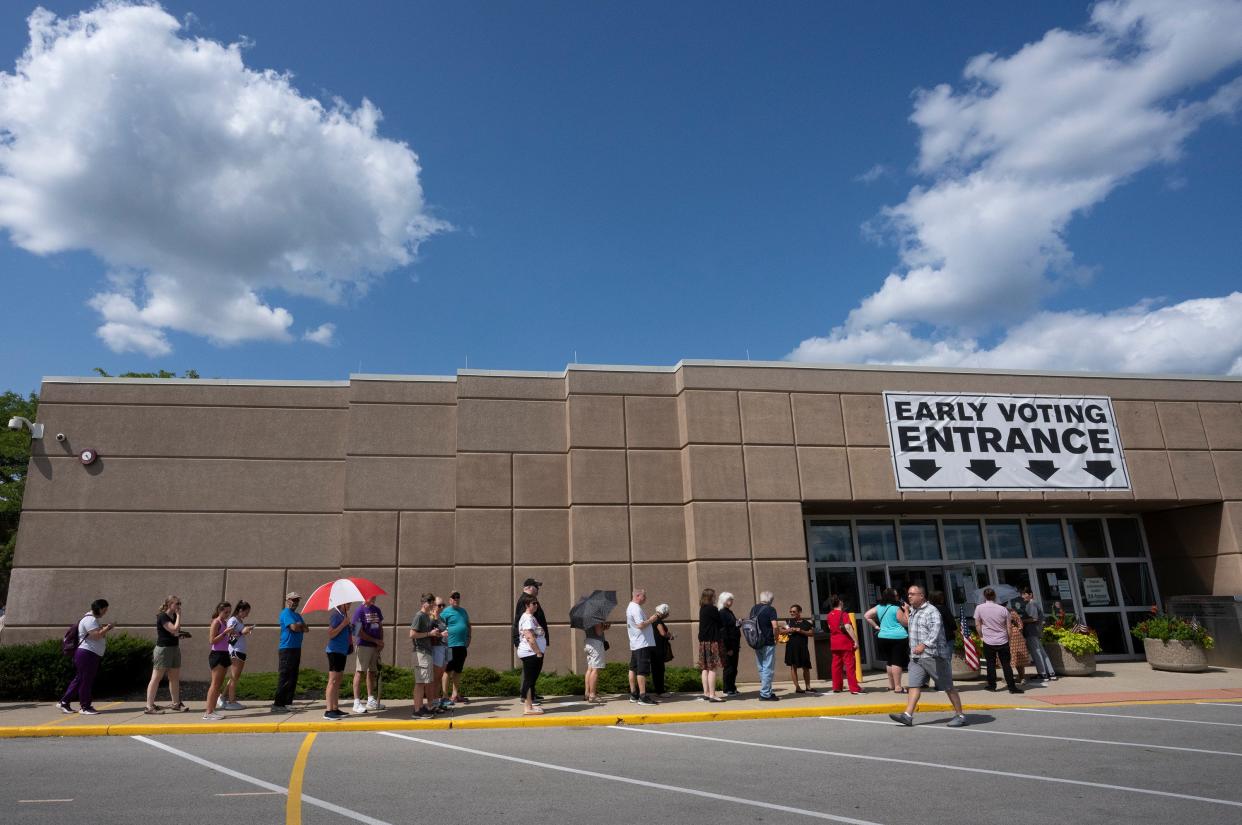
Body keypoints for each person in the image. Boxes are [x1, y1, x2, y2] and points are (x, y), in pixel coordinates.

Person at [889, 585, 967, 728]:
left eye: (913, 594)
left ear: (922, 596)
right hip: (916, 657)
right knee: (914, 685)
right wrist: (906, 610)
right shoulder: (913, 611)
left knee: (948, 686)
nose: (909, 596)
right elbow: (908, 625)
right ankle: (907, 715)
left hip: (933, 656)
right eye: (908, 594)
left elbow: (935, 631)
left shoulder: (932, 611)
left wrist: (924, 644)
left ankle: (960, 715)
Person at [59, 599, 112, 715]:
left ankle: (64, 702)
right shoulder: (90, 620)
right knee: (86, 681)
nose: (105, 613)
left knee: (80, 679)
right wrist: (107, 628)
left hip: (89, 654)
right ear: (100, 608)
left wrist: (103, 628)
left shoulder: (92, 620)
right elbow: (96, 636)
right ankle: (85, 706)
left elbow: (95, 633)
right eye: (105, 610)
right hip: (87, 654)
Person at [974, 588, 1023, 694]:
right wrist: (1009, 638)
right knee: (1006, 664)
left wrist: (981, 635)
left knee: (990, 664)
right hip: (1002, 639)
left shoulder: (979, 608)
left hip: (988, 639)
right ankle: (1012, 687)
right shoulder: (1003, 609)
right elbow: (1009, 626)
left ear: (984, 596)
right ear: (994, 596)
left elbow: (978, 624)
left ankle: (992, 685)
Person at [145, 595, 188, 714]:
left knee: (174, 678)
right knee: (156, 678)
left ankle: (176, 703)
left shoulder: (173, 616)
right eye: (177, 603)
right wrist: (179, 616)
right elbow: (173, 629)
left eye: (180, 603)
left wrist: (181, 634)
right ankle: (149, 706)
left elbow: (175, 632)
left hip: (174, 648)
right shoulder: (162, 616)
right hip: (163, 650)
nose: (179, 606)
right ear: (170, 605)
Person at [864, 588, 909, 693]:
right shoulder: (895, 608)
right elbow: (906, 623)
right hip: (898, 637)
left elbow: (867, 615)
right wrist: (906, 610)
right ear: (892, 597)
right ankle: (898, 687)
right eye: (896, 595)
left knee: (889, 661)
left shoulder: (879, 607)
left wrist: (876, 626)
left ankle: (891, 685)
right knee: (897, 661)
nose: (898, 597)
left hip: (883, 636)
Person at [512, 578, 548, 703]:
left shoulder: (529, 600)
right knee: (529, 674)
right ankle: (526, 697)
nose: (538, 590)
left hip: (535, 645)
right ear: (529, 587)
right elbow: (526, 629)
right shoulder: (525, 600)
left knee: (532, 673)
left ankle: (531, 694)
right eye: (536, 587)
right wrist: (537, 650)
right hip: (531, 646)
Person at [351, 595, 386, 714]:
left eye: (375, 595)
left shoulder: (377, 610)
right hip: (363, 646)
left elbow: (380, 627)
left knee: (372, 672)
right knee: (360, 671)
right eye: (371, 595)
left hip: (375, 647)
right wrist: (375, 640)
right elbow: (357, 632)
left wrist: (380, 641)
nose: (374, 597)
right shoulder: (359, 611)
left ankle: (370, 699)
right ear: (365, 596)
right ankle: (356, 702)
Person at [273, 592, 307, 713]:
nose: (295, 602)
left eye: (297, 600)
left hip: (296, 648)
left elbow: (306, 629)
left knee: (293, 676)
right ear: (287, 600)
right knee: (285, 676)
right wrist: (299, 626)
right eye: (293, 600)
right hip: (287, 648)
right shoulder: (286, 613)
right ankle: (278, 703)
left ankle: (287, 702)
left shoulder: (297, 615)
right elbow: (293, 627)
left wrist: (300, 625)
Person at [409, 593, 442, 718]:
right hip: (420, 653)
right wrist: (429, 634)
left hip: (426, 652)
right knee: (420, 683)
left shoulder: (427, 616)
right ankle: (417, 710)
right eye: (431, 603)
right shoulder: (419, 616)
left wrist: (437, 634)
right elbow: (412, 634)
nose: (432, 605)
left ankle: (421, 707)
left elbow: (428, 633)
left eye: (433, 603)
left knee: (424, 682)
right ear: (424, 603)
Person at [626, 588, 659, 705]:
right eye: (644, 596)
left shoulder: (631, 607)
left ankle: (634, 694)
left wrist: (648, 620)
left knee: (633, 668)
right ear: (638, 595)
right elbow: (640, 625)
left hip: (636, 643)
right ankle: (643, 696)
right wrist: (651, 620)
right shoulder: (635, 608)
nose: (645, 598)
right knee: (642, 669)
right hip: (641, 643)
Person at [219, 600, 252, 711]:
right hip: (235, 651)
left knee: (235, 676)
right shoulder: (233, 620)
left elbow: (237, 634)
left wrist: (245, 630)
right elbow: (230, 637)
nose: (247, 614)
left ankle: (222, 697)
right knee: (234, 677)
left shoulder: (239, 621)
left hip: (240, 651)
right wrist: (243, 632)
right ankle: (231, 702)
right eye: (246, 611)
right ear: (240, 610)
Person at [516, 592, 547, 715]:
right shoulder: (528, 618)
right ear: (527, 605)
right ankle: (528, 708)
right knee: (529, 680)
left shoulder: (531, 617)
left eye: (537, 603)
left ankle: (529, 705)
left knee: (531, 680)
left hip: (532, 653)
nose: (536, 605)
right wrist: (538, 652)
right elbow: (529, 637)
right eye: (533, 603)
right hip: (530, 653)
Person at [323, 600, 354, 720]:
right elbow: (331, 634)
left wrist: (349, 626)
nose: (349, 605)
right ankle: (328, 710)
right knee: (333, 680)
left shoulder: (343, 615)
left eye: (350, 603)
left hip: (342, 651)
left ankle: (335, 708)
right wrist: (343, 624)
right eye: (347, 603)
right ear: (341, 604)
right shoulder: (336, 615)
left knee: (338, 680)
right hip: (334, 651)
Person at [203, 602, 233, 721]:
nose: (227, 614)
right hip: (217, 655)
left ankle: (212, 710)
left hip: (224, 653)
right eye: (225, 612)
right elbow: (212, 640)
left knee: (218, 685)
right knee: (215, 684)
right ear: (220, 611)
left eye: (229, 612)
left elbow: (224, 639)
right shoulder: (216, 622)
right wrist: (225, 632)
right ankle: (208, 712)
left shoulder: (225, 622)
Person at [825, 595, 861, 694]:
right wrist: (856, 641)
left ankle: (837, 687)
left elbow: (829, 627)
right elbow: (848, 627)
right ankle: (854, 688)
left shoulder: (829, 615)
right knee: (850, 666)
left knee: (836, 665)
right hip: (845, 642)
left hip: (834, 642)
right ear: (840, 602)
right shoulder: (843, 614)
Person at [440, 591, 471, 704]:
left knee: (458, 671)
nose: (456, 599)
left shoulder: (463, 611)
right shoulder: (445, 612)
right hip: (450, 646)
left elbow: (468, 625)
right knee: (448, 670)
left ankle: (455, 695)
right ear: (450, 600)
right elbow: (438, 625)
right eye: (453, 598)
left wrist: (469, 637)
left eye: (457, 597)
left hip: (461, 646)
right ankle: (444, 696)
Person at [1020, 587, 1057, 682]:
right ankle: (1051, 673)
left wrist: (1021, 620)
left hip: (1031, 631)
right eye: (1022, 594)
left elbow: (1034, 618)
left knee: (1036, 652)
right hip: (1036, 631)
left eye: (1024, 594)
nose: (1022, 596)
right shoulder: (1034, 603)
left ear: (1030, 594)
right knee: (1042, 652)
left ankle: (1043, 674)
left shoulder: (1031, 604)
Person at [750, 591, 781, 701]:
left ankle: (767, 690)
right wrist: (777, 637)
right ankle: (765, 694)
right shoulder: (770, 609)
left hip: (756, 641)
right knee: (768, 667)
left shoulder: (754, 609)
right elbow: (775, 626)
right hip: (768, 641)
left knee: (762, 668)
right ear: (770, 600)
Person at [697, 588, 724, 702]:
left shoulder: (702, 609)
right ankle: (712, 695)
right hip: (712, 641)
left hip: (703, 642)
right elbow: (720, 623)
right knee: (712, 668)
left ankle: (706, 693)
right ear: (710, 597)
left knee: (705, 668)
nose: (715, 597)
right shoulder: (712, 609)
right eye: (714, 596)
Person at [784, 604, 816, 695]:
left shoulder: (806, 623)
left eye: (794, 611)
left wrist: (800, 631)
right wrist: (789, 630)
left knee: (806, 667)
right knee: (793, 667)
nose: (792, 613)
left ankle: (808, 687)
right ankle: (797, 687)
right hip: (791, 648)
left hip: (803, 648)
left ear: (799, 612)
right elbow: (781, 631)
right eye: (791, 612)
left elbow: (811, 633)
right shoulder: (788, 622)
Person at [718, 592, 741, 696]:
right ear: (723, 601)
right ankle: (727, 689)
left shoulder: (729, 612)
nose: (731, 602)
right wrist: (728, 648)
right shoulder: (722, 613)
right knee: (729, 667)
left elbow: (732, 626)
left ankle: (732, 686)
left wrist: (738, 624)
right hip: (729, 644)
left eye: (732, 599)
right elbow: (723, 631)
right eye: (729, 600)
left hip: (734, 643)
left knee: (734, 667)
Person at [583, 617, 610, 704]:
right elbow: (598, 632)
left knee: (590, 669)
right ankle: (592, 695)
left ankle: (587, 693)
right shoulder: (596, 617)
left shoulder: (587, 616)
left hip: (588, 642)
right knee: (595, 669)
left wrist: (603, 628)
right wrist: (603, 627)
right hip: (596, 644)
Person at [430, 597, 450, 709]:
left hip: (444, 647)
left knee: (440, 676)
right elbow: (430, 634)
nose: (442, 607)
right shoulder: (431, 618)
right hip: (436, 648)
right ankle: (433, 701)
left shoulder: (441, 618)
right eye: (439, 605)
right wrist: (441, 634)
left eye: (443, 605)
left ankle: (436, 701)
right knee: (436, 677)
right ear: (434, 606)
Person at [651, 604, 672, 696]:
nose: (668, 615)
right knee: (659, 669)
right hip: (658, 648)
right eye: (667, 613)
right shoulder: (658, 621)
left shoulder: (653, 619)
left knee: (656, 669)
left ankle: (658, 690)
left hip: (654, 647)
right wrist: (670, 636)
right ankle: (660, 691)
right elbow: (662, 633)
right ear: (664, 612)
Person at [1008, 605, 1030, 683]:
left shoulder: (998, 612)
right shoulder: (1012, 611)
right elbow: (1020, 624)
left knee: (1006, 658)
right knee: (1019, 656)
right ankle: (1022, 677)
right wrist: (1021, 636)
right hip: (1016, 633)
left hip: (1005, 635)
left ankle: (1009, 678)